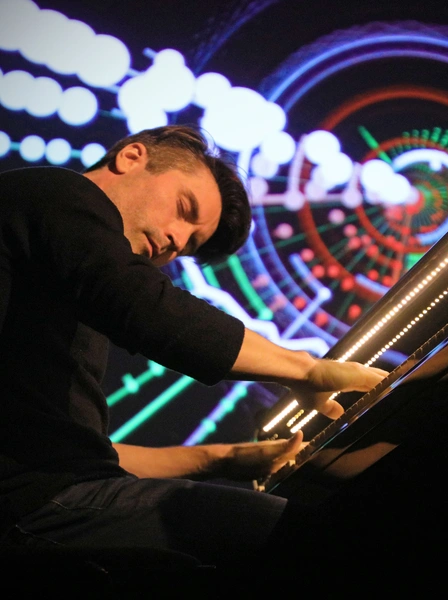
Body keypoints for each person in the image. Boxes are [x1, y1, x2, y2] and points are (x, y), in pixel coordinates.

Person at [0, 125, 388, 581]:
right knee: (319, 540)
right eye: (184, 210)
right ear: (131, 157)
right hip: (27, 509)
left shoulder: (53, 284)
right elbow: (147, 308)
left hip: (40, 501)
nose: (176, 241)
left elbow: (77, 456)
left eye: (190, 243)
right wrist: (304, 369)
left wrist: (219, 460)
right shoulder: (58, 193)